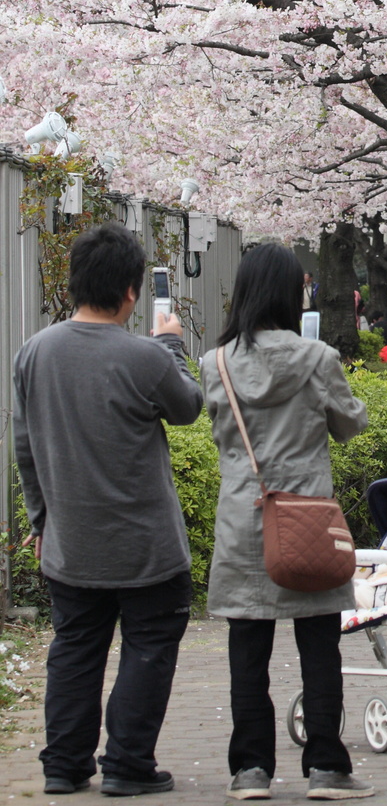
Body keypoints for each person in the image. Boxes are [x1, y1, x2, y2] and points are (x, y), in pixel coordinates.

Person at [13, 222, 203, 797]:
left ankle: (63, 766)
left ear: (73, 284)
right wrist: (171, 344)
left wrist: (41, 521)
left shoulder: (34, 353)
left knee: (74, 649)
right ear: (131, 292)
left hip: (71, 541)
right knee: (148, 648)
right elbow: (189, 407)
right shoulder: (144, 357)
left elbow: (24, 449)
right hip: (147, 545)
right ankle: (126, 764)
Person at [201, 244, 374, 801]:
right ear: (291, 294)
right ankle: (326, 768)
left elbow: (221, 434)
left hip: (243, 522)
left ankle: (250, 771)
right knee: (319, 645)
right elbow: (351, 425)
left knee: (247, 649)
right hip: (307, 521)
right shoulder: (317, 359)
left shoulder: (216, 363)